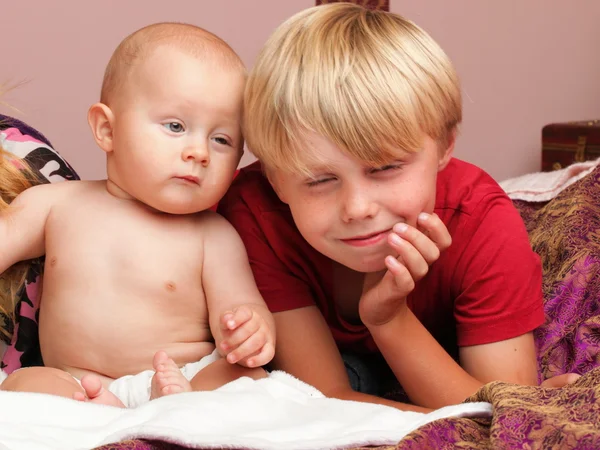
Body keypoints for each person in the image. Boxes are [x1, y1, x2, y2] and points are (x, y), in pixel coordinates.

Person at [217, 3, 560, 412]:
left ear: (444, 146)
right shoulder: (256, 215)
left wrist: (387, 319)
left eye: (385, 168)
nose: (357, 208)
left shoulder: (482, 222)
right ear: (275, 177)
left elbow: (505, 411)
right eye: (320, 180)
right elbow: (326, 397)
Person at [0, 22, 275, 408]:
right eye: (176, 126)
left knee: (247, 377)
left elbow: (239, 306)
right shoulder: (56, 204)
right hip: (73, 380)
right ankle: (96, 410)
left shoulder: (213, 235)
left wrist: (249, 330)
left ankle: (177, 407)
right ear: (107, 129)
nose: (200, 152)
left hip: (185, 375)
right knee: (22, 385)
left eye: (222, 139)